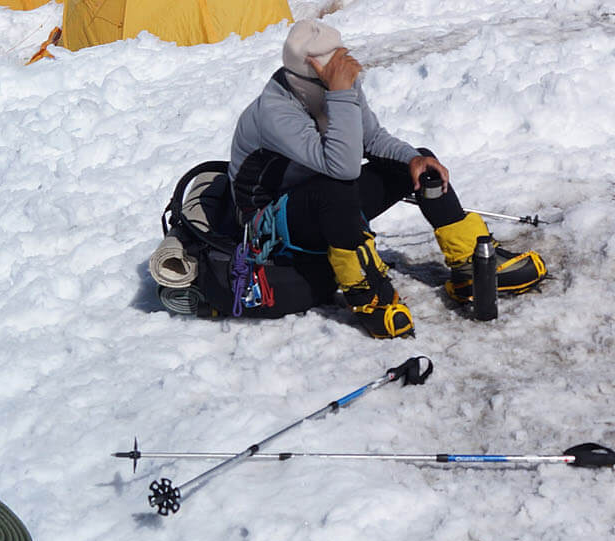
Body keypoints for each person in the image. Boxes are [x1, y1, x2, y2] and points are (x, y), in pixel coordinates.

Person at [227, 19, 544, 337]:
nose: (346, 76)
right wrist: (340, 93)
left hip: (320, 200)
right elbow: (344, 167)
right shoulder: (275, 111)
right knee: (333, 191)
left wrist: (413, 159)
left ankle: (469, 268)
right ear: (312, 76)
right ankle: (368, 296)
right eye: (335, 72)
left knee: (415, 164)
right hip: (269, 226)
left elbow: (372, 139)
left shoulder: (337, 87)